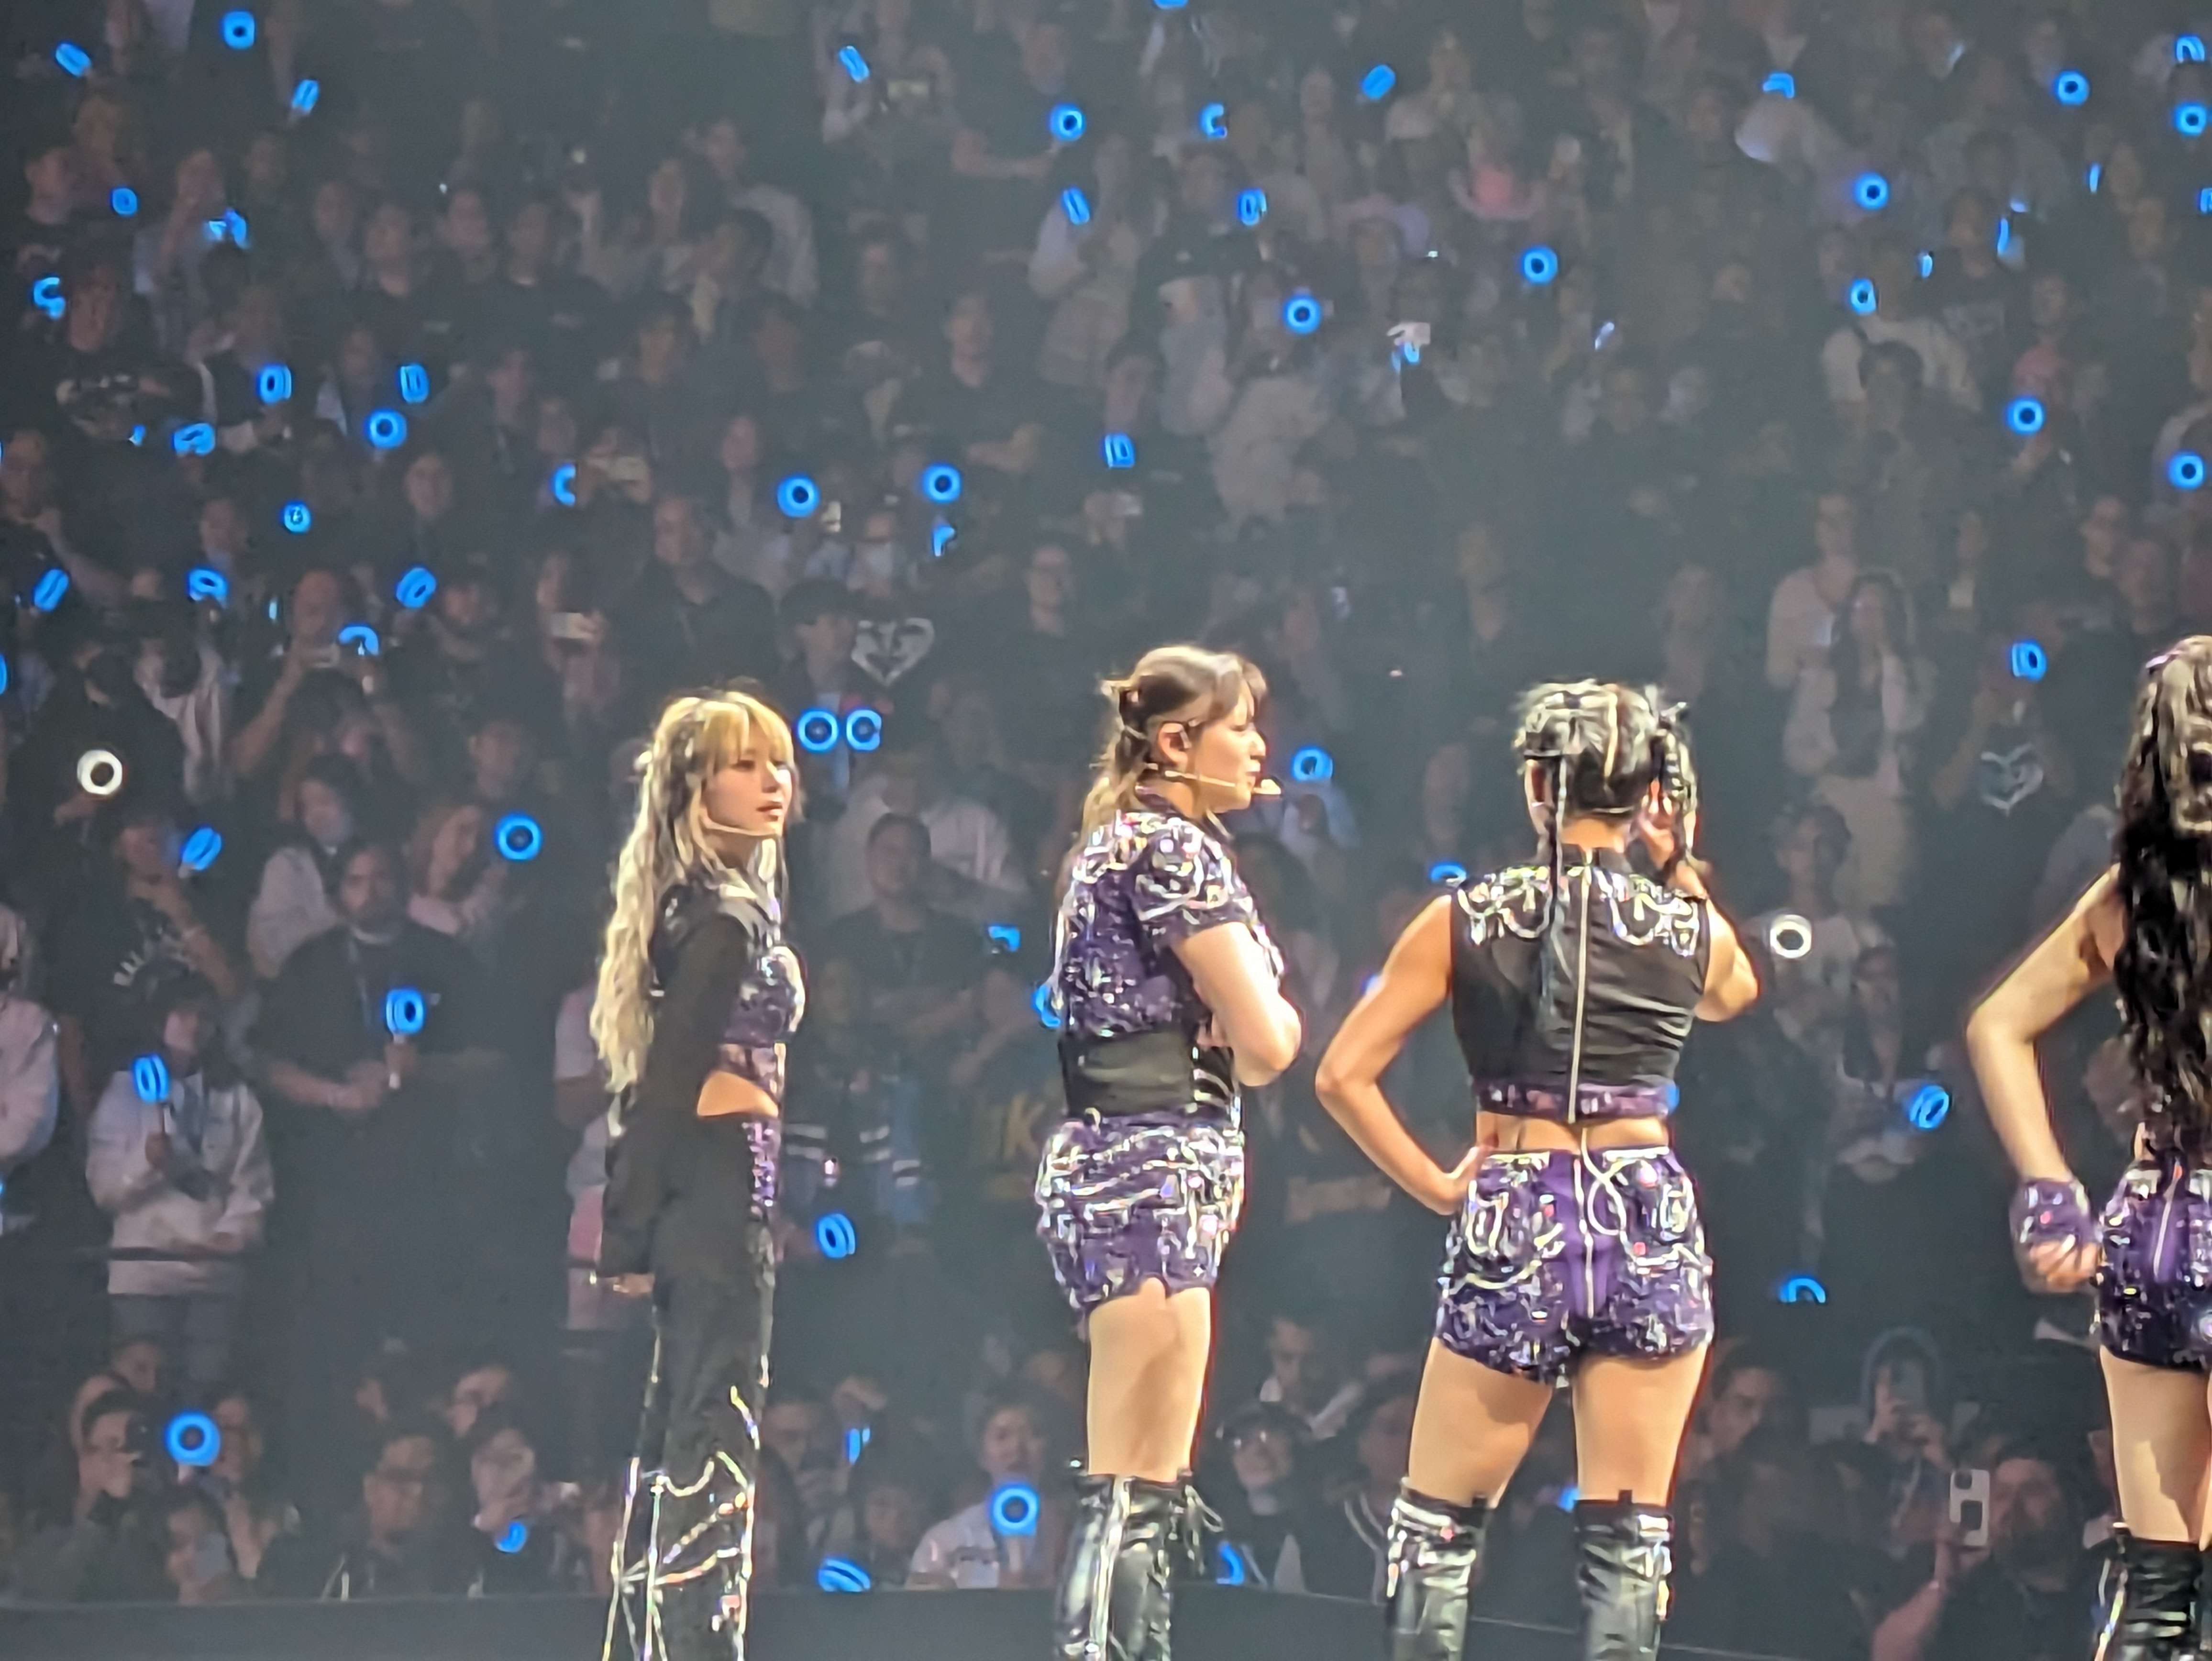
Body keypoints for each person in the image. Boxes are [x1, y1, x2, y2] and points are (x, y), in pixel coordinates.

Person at [1315, 680, 1759, 1661]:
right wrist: (1675, 860)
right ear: (1647, 793)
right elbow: (1735, 992)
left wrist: (1436, 1184)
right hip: (1646, 1213)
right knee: (1630, 1538)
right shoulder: (1684, 925)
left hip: (1521, 1206)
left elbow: (1341, 1075)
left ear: (1536, 784)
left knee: (1436, 1532)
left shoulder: (1464, 918)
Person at [1036, 643, 1303, 1661]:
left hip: (1142, 1165)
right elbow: (1271, 1042)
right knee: (1131, 1477)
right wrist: (1258, 1019)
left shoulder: (1113, 845)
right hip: (1149, 1168)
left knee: (1145, 1479)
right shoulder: (1169, 851)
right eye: (1240, 726)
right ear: (1176, 742)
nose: (1259, 746)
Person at [1964, 635, 2212, 1656]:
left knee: (2157, 1577)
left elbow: (1997, 1023)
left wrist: (2049, 1189)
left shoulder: (2127, 895)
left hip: (2154, 1225)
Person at [592, 690, 803, 1661]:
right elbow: (672, 1078)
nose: (773, 782)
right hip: (715, 1194)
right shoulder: (723, 915)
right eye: (744, 765)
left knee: (685, 1429)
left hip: (712, 1192)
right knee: (711, 1434)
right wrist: (627, 1226)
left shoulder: (710, 902)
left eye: (778, 764)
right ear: (695, 786)